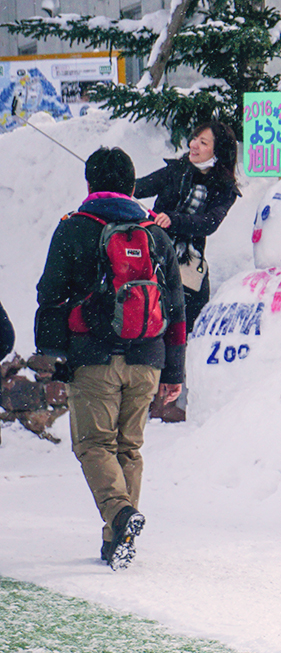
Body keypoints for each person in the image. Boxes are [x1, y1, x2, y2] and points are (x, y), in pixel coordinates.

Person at [35, 147, 185, 570]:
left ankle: (120, 516)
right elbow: (175, 306)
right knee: (128, 447)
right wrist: (174, 370)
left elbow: (50, 294)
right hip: (147, 358)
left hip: (94, 357)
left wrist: (56, 357)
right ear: (134, 187)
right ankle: (116, 541)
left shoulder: (75, 228)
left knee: (93, 445)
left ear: (88, 185)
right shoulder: (155, 233)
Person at [134, 119, 239, 421]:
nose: (195, 145)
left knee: (182, 331)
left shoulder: (224, 186)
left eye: (204, 142)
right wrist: (116, 181)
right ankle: (151, 398)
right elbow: (140, 187)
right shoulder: (176, 170)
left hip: (188, 268)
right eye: (195, 138)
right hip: (155, 262)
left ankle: (173, 399)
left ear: (218, 151)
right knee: (153, 326)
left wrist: (174, 219)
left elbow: (210, 222)